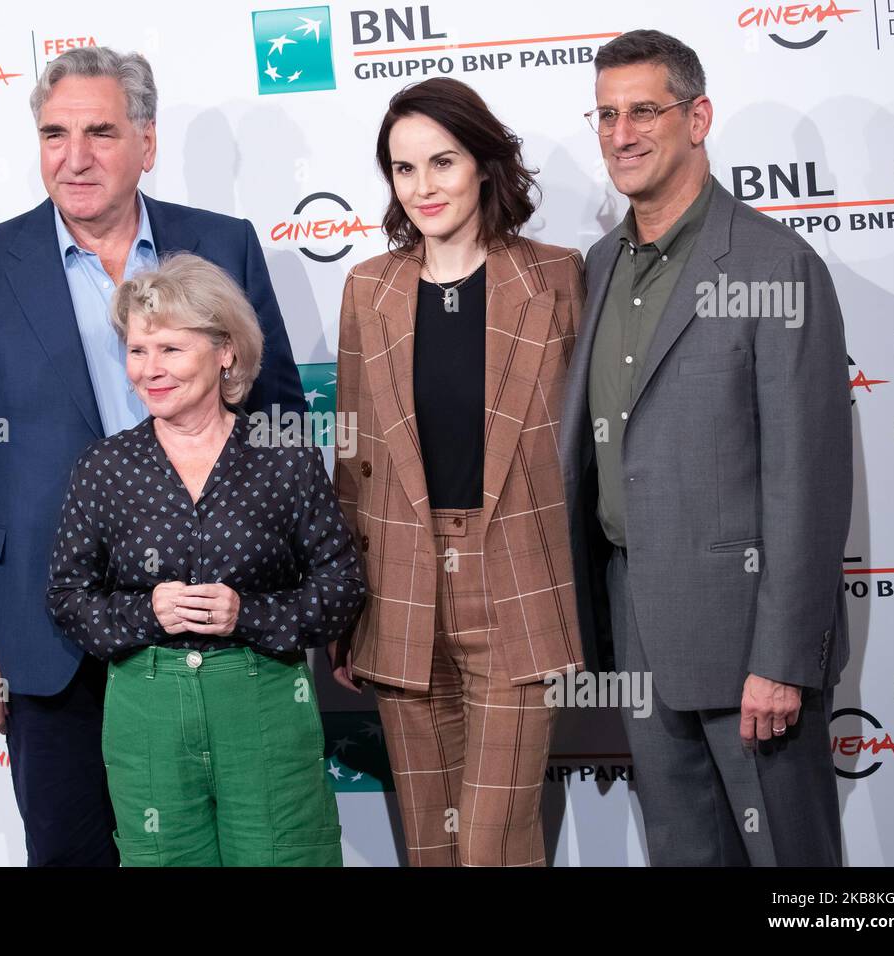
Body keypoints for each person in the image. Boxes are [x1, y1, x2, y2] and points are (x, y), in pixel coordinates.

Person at [0, 46, 305, 867]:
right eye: (54, 133)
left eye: (100, 131)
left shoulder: (222, 244)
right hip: (43, 632)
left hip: (212, 631)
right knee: (71, 852)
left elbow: (279, 426)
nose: (75, 156)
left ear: (147, 142)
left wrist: (286, 594)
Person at [559, 30, 851, 866]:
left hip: (749, 646)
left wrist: (784, 661)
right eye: (607, 115)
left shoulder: (775, 265)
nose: (622, 133)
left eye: (643, 110)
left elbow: (809, 481)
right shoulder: (599, 265)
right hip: (636, 630)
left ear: (699, 117)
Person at [329, 77, 586, 867]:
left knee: (491, 848)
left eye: (442, 162)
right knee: (431, 849)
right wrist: (345, 612)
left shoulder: (558, 277)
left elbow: (595, 452)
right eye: (404, 170)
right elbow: (352, 456)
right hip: (399, 590)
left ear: (483, 163)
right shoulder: (369, 288)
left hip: (517, 582)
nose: (424, 187)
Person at [46, 253, 365, 866]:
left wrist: (247, 613)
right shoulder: (103, 468)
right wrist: (147, 613)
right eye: (137, 351)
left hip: (264, 704)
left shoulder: (283, 459)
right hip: (149, 712)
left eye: (169, 349)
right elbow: (68, 597)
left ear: (225, 351)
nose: (149, 370)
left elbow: (340, 584)